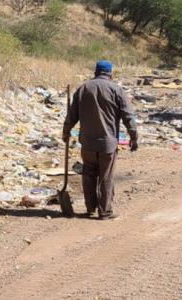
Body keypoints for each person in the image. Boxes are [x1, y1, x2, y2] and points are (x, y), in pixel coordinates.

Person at [63, 60, 138, 220]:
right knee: (106, 177)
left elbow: (71, 115)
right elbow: (128, 116)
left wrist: (66, 132)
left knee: (88, 175)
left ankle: (90, 208)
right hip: (107, 144)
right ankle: (105, 211)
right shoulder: (116, 89)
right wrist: (133, 136)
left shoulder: (83, 88)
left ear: (96, 72)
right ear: (110, 73)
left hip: (88, 143)